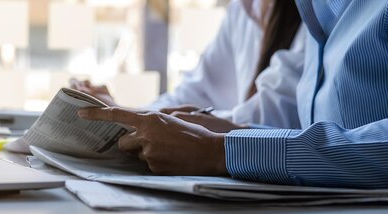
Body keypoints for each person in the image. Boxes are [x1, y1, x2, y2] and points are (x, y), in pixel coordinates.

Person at [78, 0, 388, 189]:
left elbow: (277, 110)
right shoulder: (314, 12)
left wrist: (219, 149)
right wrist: (136, 116)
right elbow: (198, 89)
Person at [71, 0, 305, 129]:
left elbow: (273, 118)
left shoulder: (315, 16)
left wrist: (134, 118)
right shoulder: (243, 10)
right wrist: (125, 114)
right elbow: (195, 91)